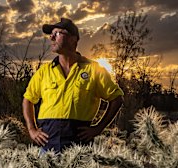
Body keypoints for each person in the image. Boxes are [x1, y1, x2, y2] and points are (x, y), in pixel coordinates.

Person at [22, 18, 124, 153]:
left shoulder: (93, 69)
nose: (51, 37)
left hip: (79, 148)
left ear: (73, 39)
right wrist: (32, 129)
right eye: (51, 34)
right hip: (47, 147)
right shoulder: (44, 72)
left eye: (57, 33)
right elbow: (28, 99)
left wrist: (98, 128)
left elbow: (116, 98)